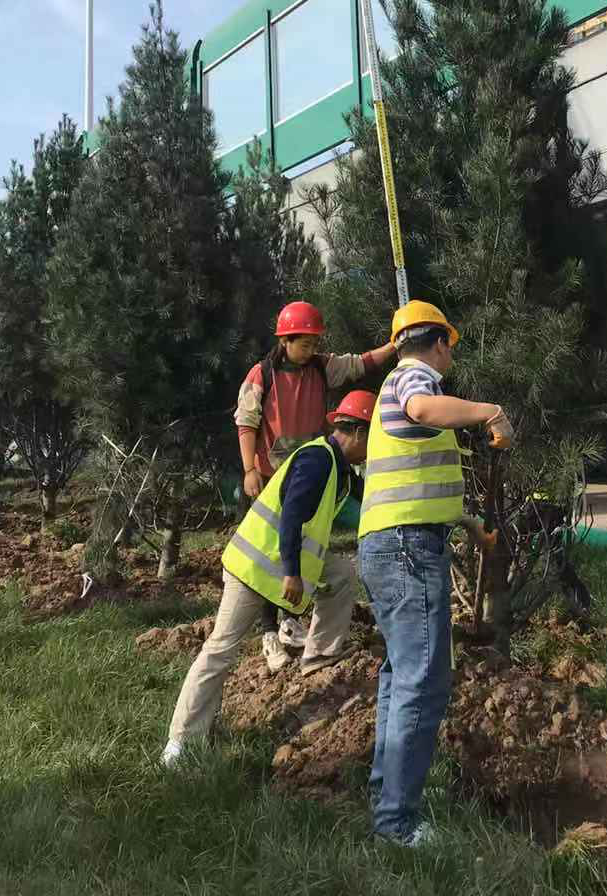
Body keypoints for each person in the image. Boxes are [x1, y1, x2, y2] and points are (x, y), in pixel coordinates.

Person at [358, 300, 514, 847]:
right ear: (440, 342)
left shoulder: (396, 385)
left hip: (391, 544)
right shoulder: (414, 378)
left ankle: (386, 795)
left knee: (398, 676)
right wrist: (490, 409)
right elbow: (425, 410)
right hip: (405, 549)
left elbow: (415, 476)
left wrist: (468, 522)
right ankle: (397, 822)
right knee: (422, 680)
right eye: (451, 344)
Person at [162, 390, 377, 767]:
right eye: (372, 440)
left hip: (280, 561)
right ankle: (179, 744)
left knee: (341, 572)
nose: (372, 451)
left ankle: (320, 653)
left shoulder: (340, 470)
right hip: (256, 567)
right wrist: (292, 573)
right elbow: (292, 516)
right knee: (220, 649)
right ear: (357, 432)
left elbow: (358, 504)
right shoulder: (317, 460)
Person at [234, 299, 394, 661]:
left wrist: (393, 347)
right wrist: (248, 471)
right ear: (285, 340)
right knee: (268, 557)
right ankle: (268, 632)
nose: (311, 350)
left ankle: (290, 623)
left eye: (315, 344)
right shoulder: (263, 374)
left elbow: (360, 363)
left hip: (308, 475)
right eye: (304, 343)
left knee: (301, 550)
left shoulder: (322, 369)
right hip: (267, 477)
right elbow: (246, 422)